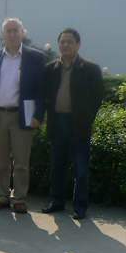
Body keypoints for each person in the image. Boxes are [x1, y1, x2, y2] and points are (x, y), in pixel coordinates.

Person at [0, 18, 46, 214]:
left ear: (23, 32)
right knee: (1, 161)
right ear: (3, 34)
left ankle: (19, 198)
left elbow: (42, 90)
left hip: (23, 116)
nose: (12, 34)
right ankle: (1, 196)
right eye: (8, 30)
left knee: (22, 161)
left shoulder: (35, 57)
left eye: (16, 30)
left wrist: (38, 115)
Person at [42, 28, 104, 220]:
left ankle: (80, 206)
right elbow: (44, 95)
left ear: (78, 45)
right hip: (57, 123)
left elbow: (97, 97)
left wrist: (86, 118)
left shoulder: (90, 68)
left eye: (70, 41)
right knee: (57, 166)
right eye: (62, 41)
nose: (65, 45)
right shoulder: (50, 69)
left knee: (81, 168)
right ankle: (56, 201)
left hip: (79, 124)